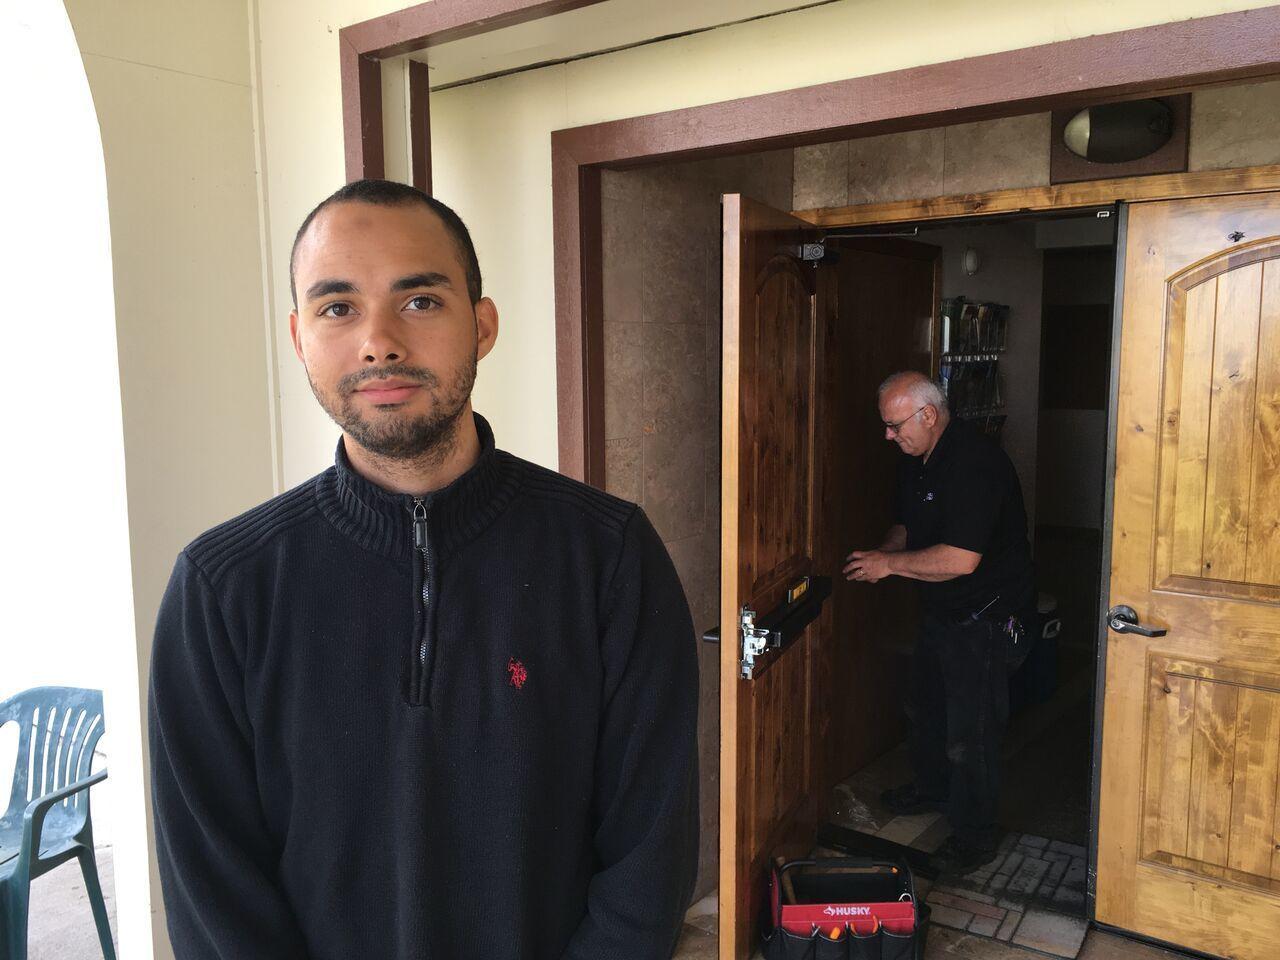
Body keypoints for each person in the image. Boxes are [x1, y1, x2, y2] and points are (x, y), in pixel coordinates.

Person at [149, 179, 699, 959]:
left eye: (419, 301)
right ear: (300, 336)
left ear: (481, 325)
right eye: (337, 307)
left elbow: (650, 857)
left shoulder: (607, 555)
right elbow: (212, 894)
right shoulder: (223, 588)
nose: (379, 342)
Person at [842, 371, 1034, 873]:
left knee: (970, 732)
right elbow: (910, 524)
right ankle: (932, 788)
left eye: (893, 425)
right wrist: (884, 552)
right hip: (942, 610)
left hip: (986, 617)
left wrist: (888, 568)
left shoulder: (977, 464)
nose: (888, 435)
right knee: (924, 706)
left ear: (928, 415)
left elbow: (959, 559)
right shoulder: (916, 459)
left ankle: (975, 836)